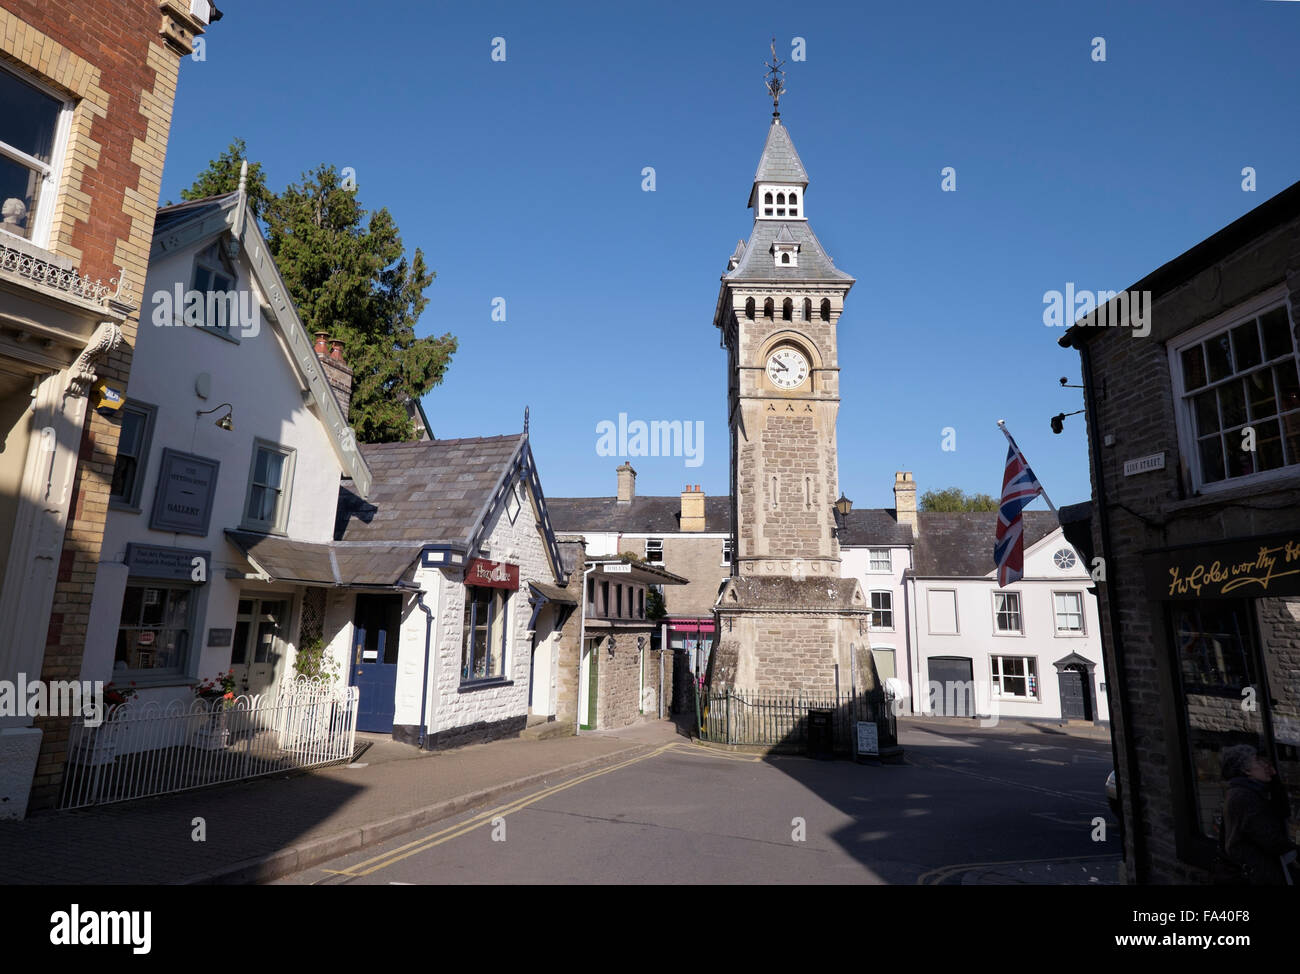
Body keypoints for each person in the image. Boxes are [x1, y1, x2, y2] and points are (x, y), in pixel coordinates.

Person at [1220, 744, 1297, 885]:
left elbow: (1283, 812)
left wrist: (1274, 780)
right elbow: (1269, 838)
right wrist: (1295, 849)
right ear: (1246, 770)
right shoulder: (1244, 796)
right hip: (1259, 873)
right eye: (1258, 761)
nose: (1264, 765)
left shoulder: (1248, 791)